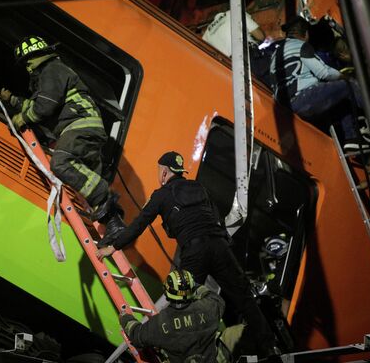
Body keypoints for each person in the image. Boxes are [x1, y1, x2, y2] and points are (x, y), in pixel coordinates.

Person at [95, 151, 281, 360]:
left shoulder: (161, 194)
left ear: (164, 172)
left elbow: (140, 224)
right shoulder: (198, 187)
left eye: (160, 172)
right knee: (245, 299)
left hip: (195, 252)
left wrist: (113, 246)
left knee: (182, 304)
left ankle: (181, 354)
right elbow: (213, 216)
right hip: (220, 246)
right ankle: (269, 348)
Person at [0, 35, 124, 234]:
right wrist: (13, 101)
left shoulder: (52, 70)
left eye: (27, 62)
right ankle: (114, 223)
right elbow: (38, 103)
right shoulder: (51, 74)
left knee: (60, 163)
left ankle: (103, 196)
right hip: (81, 128)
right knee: (86, 184)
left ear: (34, 57)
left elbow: (44, 107)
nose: (27, 68)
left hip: (81, 126)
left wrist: (22, 118)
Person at [270, 16, 370, 152]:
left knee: (337, 96)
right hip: (304, 98)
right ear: (305, 33)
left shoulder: (275, 54)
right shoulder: (302, 46)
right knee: (348, 85)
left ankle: (352, 139)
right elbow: (324, 72)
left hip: (286, 108)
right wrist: (344, 76)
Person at [119, 269, 225, 362]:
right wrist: (191, 285)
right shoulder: (209, 308)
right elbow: (214, 297)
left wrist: (125, 318)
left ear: (166, 291)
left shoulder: (160, 323)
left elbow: (137, 335)